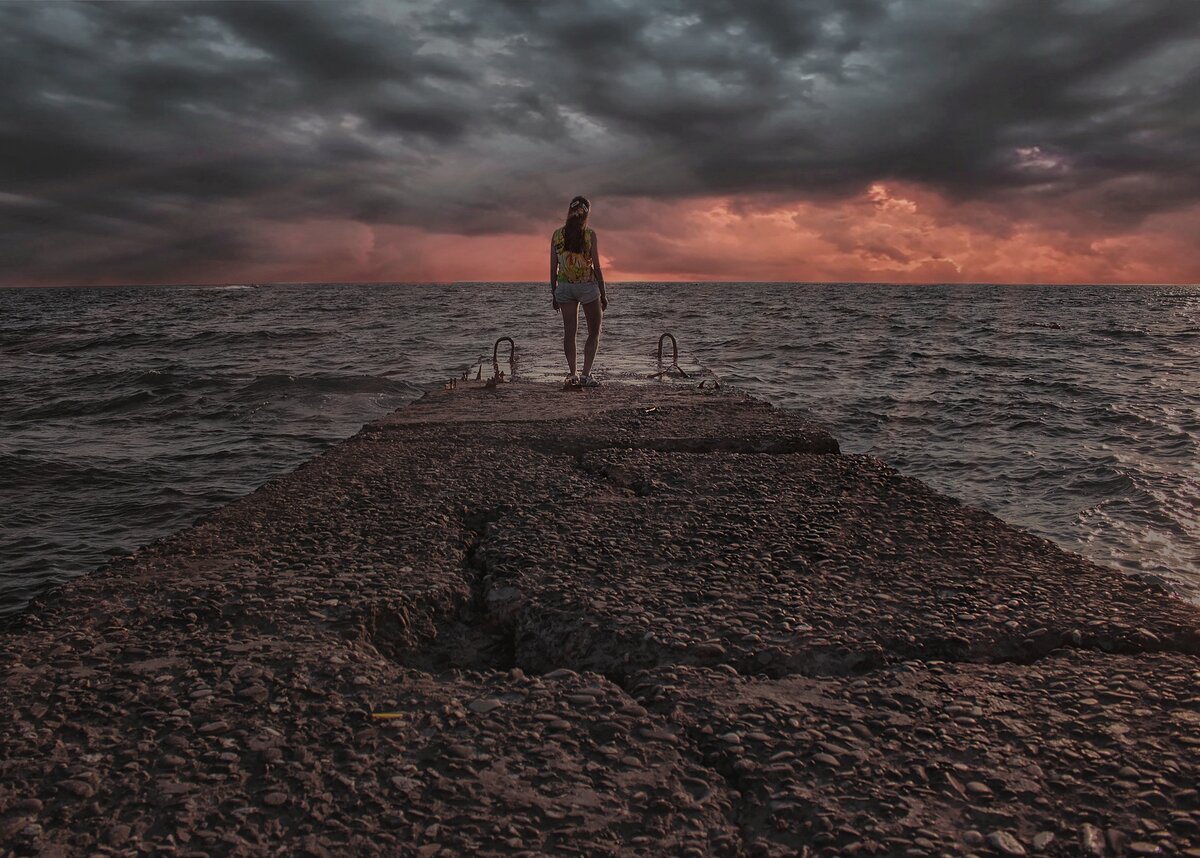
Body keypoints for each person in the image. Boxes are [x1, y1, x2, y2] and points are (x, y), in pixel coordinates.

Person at [550, 195, 607, 387]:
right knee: (594, 331)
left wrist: (554, 293)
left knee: (569, 332)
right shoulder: (589, 235)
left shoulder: (557, 235)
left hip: (564, 287)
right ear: (586, 214)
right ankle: (586, 374)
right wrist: (603, 293)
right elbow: (597, 267)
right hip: (587, 287)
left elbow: (553, 268)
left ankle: (572, 374)